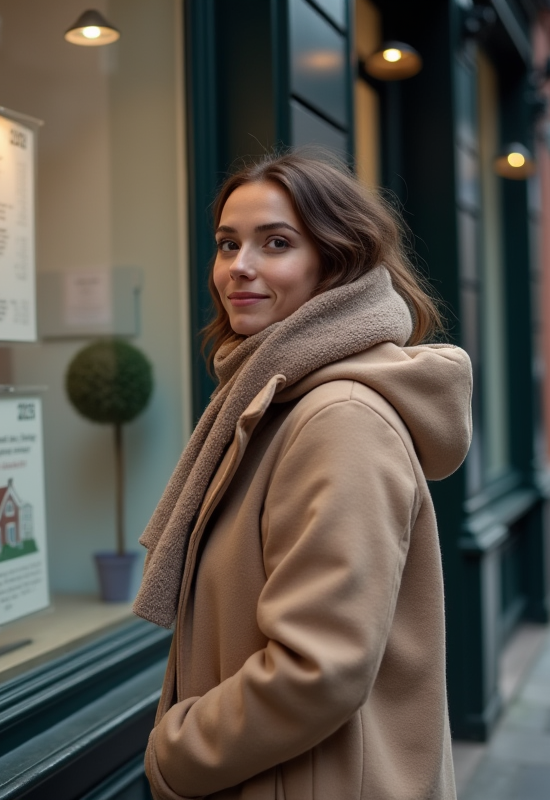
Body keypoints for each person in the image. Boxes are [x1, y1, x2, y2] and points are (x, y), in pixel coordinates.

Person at [134, 152, 471, 800]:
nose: (240, 266)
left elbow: (320, 666)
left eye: (276, 243)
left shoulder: (339, 419)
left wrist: (176, 753)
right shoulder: (272, 402)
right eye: (228, 244)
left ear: (335, 261)